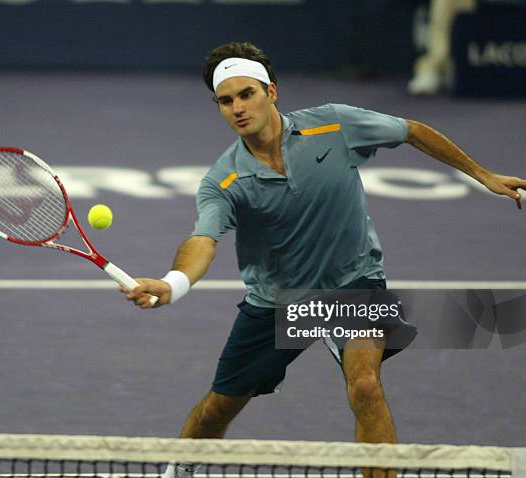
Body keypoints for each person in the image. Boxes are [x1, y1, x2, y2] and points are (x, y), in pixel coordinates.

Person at [122, 42, 526, 477]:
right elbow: (203, 239)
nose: (237, 108)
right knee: (217, 410)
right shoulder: (224, 180)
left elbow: (411, 130)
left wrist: (483, 174)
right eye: (226, 101)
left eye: (247, 94)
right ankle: (180, 470)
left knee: (367, 386)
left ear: (271, 92)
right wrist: (174, 282)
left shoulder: (333, 124)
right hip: (278, 302)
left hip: (353, 281)